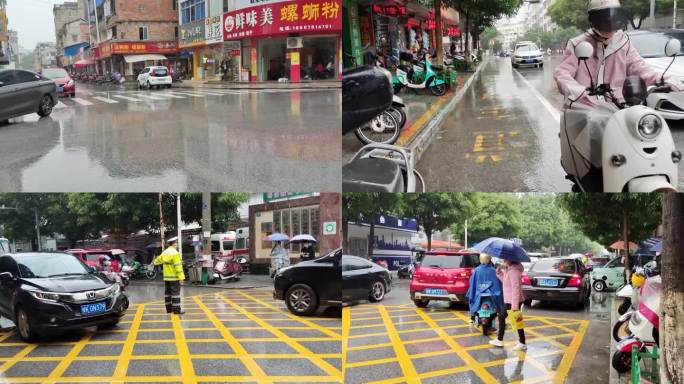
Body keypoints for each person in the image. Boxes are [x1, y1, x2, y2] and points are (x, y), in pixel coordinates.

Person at [553, 0, 684, 189]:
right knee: (596, 122)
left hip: (619, 104)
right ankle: (597, 171)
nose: (610, 24)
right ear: (593, 20)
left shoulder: (624, 42)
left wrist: (663, 78)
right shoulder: (578, 43)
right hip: (585, 104)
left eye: (613, 17)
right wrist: (575, 88)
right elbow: (562, 73)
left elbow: (640, 68)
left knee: (641, 122)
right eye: (604, 18)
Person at [491, 260, 527, 350]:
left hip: (513, 301)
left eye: (506, 259)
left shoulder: (514, 271)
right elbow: (506, 282)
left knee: (515, 320)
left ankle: (522, 342)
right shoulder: (509, 270)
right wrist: (499, 273)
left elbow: (516, 288)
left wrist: (514, 306)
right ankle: (500, 339)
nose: (504, 261)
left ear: (511, 260)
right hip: (509, 300)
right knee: (504, 317)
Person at [466, 254, 504, 334]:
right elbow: (499, 283)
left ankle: (473, 317)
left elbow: (472, 282)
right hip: (492, 294)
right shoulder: (493, 270)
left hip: (478, 293)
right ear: (489, 259)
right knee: (497, 307)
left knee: (471, 298)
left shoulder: (477, 270)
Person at [154, 239, 186, 315]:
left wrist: (160, 262)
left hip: (166, 277)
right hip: (174, 277)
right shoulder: (175, 253)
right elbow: (178, 267)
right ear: (174, 244)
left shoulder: (165, 252)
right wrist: (181, 277)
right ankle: (177, 310)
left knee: (167, 293)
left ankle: (169, 309)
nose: (177, 244)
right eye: (176, 243)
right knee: (175, 294)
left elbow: (156, 261)